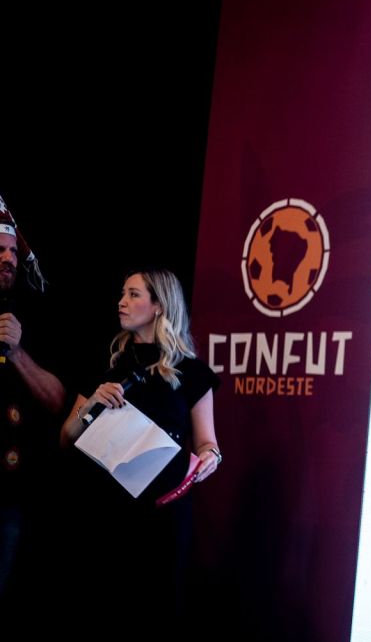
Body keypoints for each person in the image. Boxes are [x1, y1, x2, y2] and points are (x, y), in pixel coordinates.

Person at [59, 268, 221, 634]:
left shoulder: (192, 373)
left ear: (159, 305)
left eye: (133, 295)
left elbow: (207, 443)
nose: (122, 302)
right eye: (122, 293)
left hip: (163, 514)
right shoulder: (108, 364)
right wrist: (91, 405)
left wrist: (212, 457)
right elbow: (66, 438)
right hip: (104, 512)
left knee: (158, 607)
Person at [0, 194, 65, 600]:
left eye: (12, 251)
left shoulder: (35, 316)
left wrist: (17, 352)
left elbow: (59, 401)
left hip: (13, 497)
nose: (8, 258)